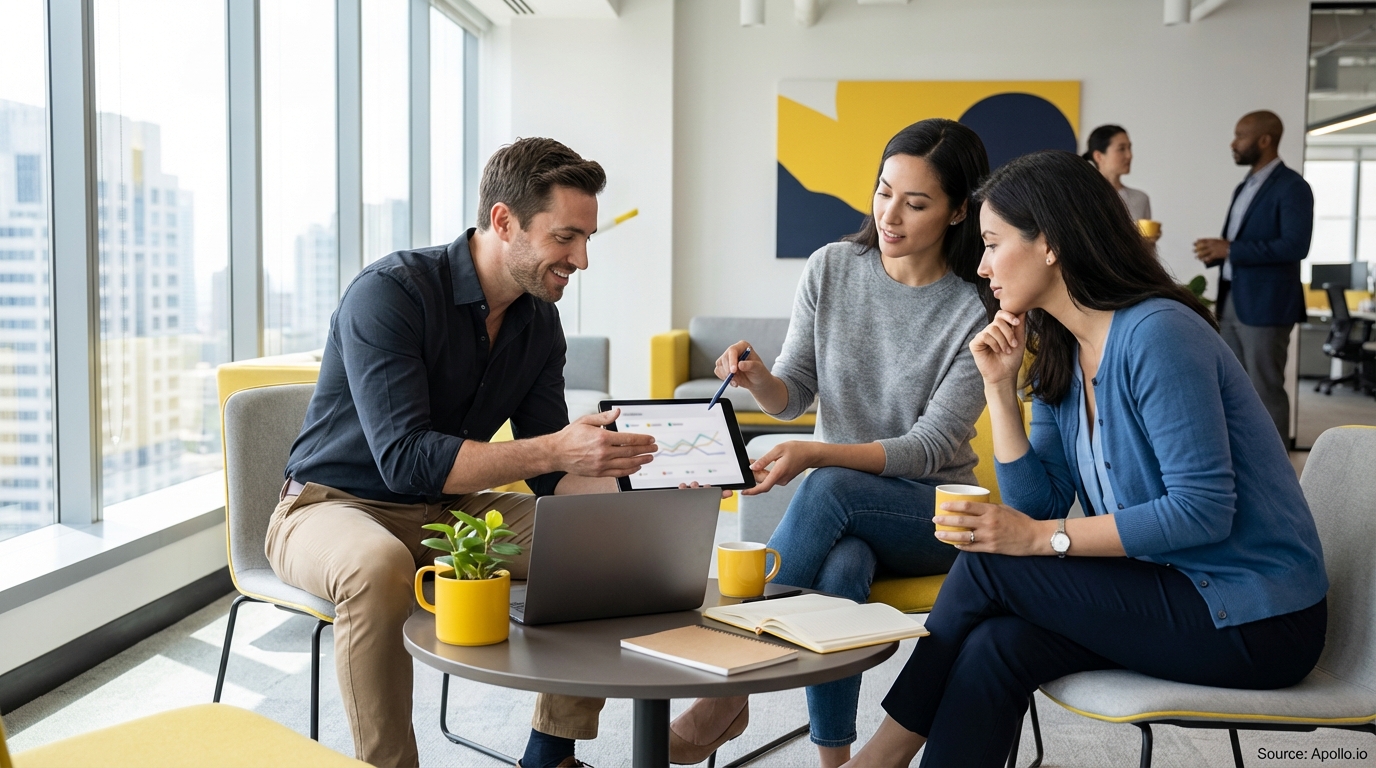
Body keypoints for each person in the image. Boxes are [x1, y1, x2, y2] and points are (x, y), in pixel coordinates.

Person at [844, 150, 1328, 768]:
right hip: (1168, 587)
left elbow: (1202, 512)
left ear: (1049, 242)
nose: (983, 264)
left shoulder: (1158, 334)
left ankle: (877, 759)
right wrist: (999, 387)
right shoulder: (1062, 350)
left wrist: (1040, 540)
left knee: (995, 566)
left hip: (1256, 617)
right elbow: (1037, 501)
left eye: (992, 243)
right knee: (997, 644)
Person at [269, 138, 662, 768]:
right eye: (566, 237)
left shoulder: (539, 323)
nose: (582, 259)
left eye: (587, 240)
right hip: (330, 506)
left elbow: (552, 476)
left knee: (602, 541)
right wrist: (554, 448)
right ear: (504, 222)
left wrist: (643, 480)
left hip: (447, 512)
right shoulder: (391, 292)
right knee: (376, 566)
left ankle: (550, 753)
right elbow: (406, 459)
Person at [669, 119, 995, 768]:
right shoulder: (832, 268)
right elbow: (795, 395)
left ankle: (733, 678)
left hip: (932, 514)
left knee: (828, 486)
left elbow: (929, 446)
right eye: (883, 191)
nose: (890, 214)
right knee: (841, 566)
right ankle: (835, 762)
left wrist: (818, 453)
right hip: (843, 510)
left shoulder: (975, 308)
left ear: (960, 210)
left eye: (917, 202)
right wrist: (758, 377)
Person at [1193, 110, 1313, 444]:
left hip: (1266, 305)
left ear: (1265, 140)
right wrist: (1217, 251)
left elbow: (1295, 245)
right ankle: (1246, 462)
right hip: (1233, 299)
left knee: (1265, 387)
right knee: (1233, 387)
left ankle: (1277, 473)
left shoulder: (1292, 186)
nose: (1234, 143)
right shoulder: (1244, 186)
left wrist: (1229, 249)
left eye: (1241, 135)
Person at [1083, 124, 1157, 242]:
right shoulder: (1081, 197)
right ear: (1098, 156)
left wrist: (1149, 243)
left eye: (1129, 148)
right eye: (1121, 149)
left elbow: (1147, 255)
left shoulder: (1140, 199)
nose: (1129, 155)